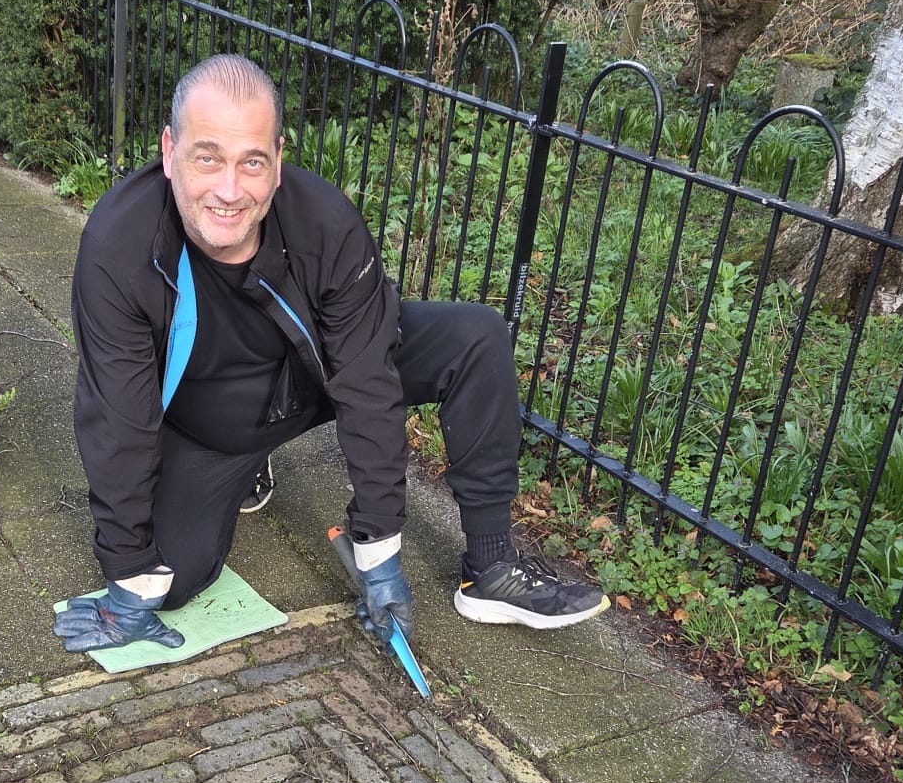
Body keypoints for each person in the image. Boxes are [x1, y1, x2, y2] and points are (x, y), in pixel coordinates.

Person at [53, 53, 608, 654]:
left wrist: (378, 551)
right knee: (169, 582)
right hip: (211, 428)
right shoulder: (119, 247)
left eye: (252, 162)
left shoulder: (326, 224)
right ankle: (245, 469)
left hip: (313, 378)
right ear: (169, 152)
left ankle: (492, 567)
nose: (229, 190)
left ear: (278, 161)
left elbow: (368, 385)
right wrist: (129, 574)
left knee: (476, 336)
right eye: (206, 158)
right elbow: (118, 419)